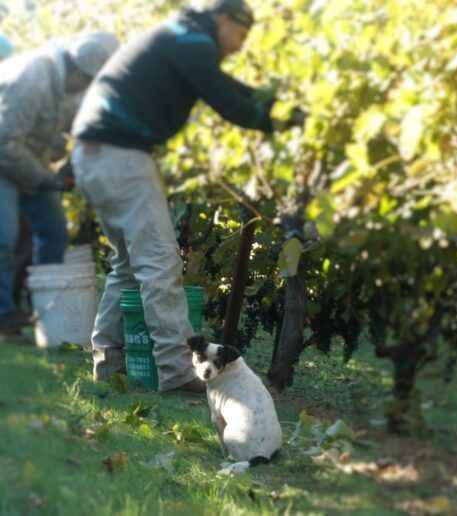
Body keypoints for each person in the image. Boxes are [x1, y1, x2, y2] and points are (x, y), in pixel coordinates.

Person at [71, 0, 305, 393]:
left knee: (128, 265)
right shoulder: (192, 41)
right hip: (120, 154)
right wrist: (286, 120)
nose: (240, 47)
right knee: (159, 262)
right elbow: (231, 104)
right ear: (223, 19)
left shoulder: (179, 37)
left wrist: (279, 107)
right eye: (242, 35)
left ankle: (108, 365)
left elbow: (230, 86)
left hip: (95, 153)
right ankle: (179, 373)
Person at [0, 32, 118, 342]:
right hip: (4, 159)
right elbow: (5, 144)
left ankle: (41, 312)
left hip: (29, 164)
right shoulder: (31, 80)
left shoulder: (67, 84)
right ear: (79, 73)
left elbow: (74, 123)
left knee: (54, 233)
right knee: (4, 237)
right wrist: (47, 178)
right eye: (87, 83)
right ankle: (3, 319)